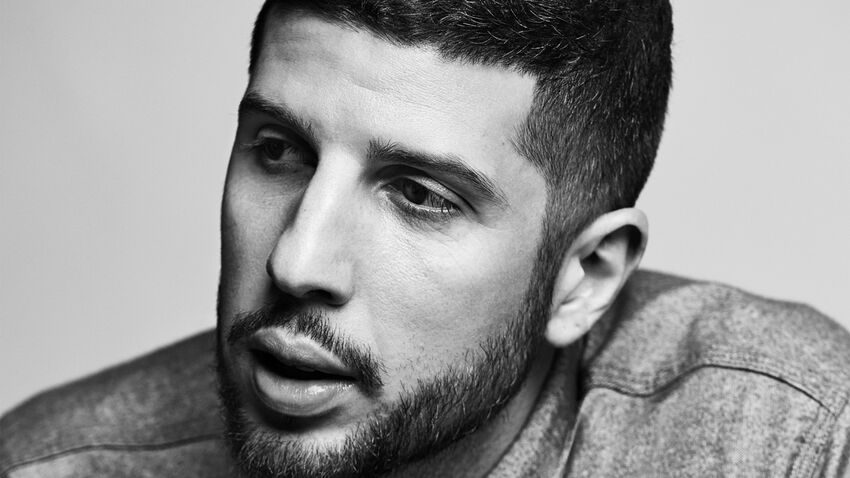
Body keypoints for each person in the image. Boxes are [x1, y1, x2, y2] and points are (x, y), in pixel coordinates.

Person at [1, 1, 848, 477]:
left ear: (585, 277)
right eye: (279, 152)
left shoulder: (793, 446)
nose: (297, 261)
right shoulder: (50, 468)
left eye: (419, 196)